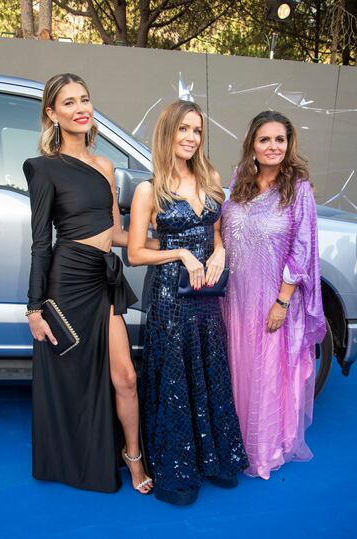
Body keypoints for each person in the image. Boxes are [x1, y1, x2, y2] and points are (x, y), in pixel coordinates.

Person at [23, 73, 154, 494]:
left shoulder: (105, 165)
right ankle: (76, 457)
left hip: (104, 276)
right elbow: (41, 242)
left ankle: (131, 456)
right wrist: (34, 308)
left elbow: (115, 233)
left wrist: (163, 241)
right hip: (67, 281)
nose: (81, 108)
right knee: (73, 375)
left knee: (126, 377)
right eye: (69, 103)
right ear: (52, 114)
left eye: (85, 99)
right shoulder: (42, 168)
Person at [128, 100, 248, 506]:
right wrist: (178, 253)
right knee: (176, 377)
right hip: (170, 295)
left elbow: (216, 231)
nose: (191, 138)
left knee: (209, 367)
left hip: (208, 293)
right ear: (168, 133)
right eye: (183, 129)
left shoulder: (210, 176)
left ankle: (213, 458)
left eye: (196, 130)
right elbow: (135, 253)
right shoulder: (150, 189)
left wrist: (219, 251)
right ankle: (176, 468)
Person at [221, 110, 326, 480]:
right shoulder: (239, 182)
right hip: (234, 298)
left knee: (266, 373)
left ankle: (262, 451)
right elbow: (224, 230)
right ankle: (232, 445)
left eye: (279, 139)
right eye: (265, 139)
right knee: (238, 369)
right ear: (252, 143)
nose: (273, 146)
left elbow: (301, 249)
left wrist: (282, 301)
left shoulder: (298, 190)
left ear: (289, 144)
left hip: (272, 300)